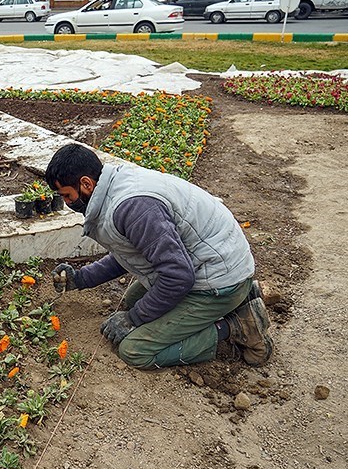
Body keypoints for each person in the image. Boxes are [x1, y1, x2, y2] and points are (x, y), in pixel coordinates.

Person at [46, 143, 273, 370]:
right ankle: (240, 299)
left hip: (218, 280)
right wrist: (81, 278)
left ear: (86, 183)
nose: (67, 203)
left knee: (134, 349)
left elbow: (178, 277)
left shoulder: (134, 208)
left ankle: (237, 326)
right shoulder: (116, 183)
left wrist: (133, 319)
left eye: (67, 195)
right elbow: (131, 253)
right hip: (213, 262)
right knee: (135, 300)